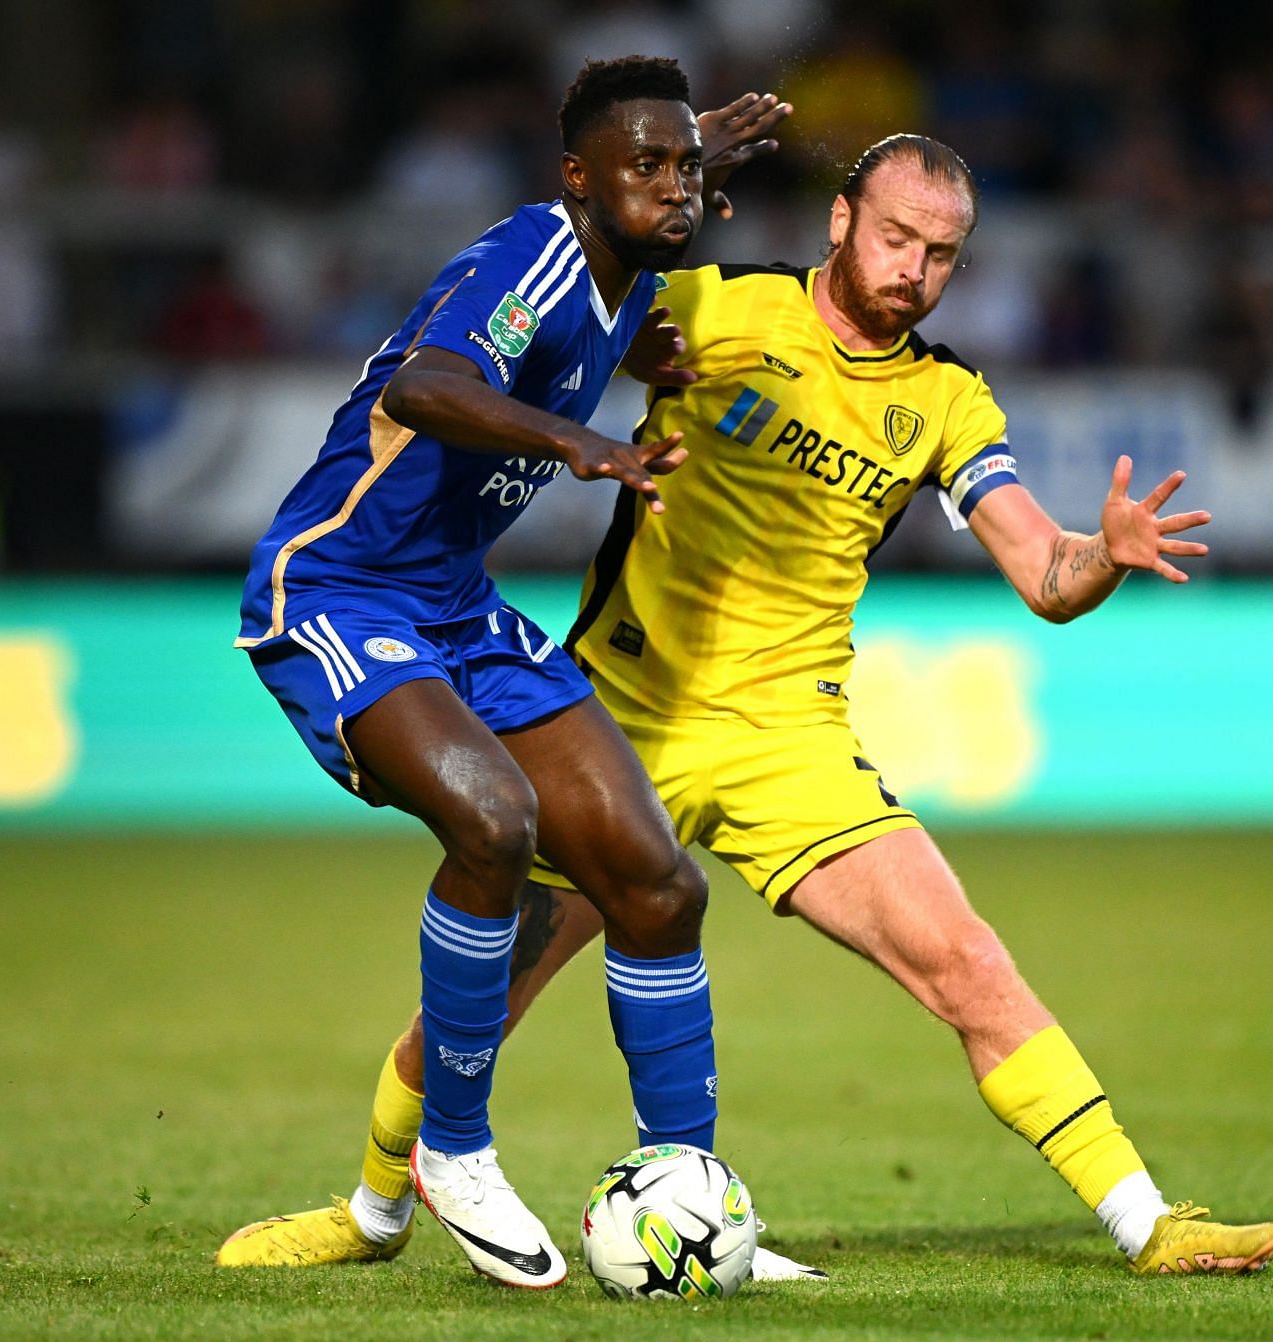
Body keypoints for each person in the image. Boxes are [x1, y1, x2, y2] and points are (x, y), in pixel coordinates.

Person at [245, 132, 1273, 1281]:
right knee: (475, 1007)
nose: (914, 271)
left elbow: (1044, 574)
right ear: (841, 221)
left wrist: (1106, 553)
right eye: (897, 238)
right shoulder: (713, 307)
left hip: (791, 741)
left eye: (943, 255)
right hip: (615, 716)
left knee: (967, 960)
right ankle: (374, 1213)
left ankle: (1151, 1222)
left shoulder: (944, 401)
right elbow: (562, 303)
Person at [214, 58, 790, 1288]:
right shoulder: (529, 258)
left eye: (688, 167)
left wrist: (704, 159)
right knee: (492, 817)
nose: (678, 189)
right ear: (576, 179)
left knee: (657, 883)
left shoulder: (633, 264)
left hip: (458, 610)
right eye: (647, 166)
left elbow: (634, 254)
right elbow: (431, 385)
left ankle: (688, 1195)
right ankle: (454, 1151)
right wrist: (577, 439)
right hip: (335, 592)